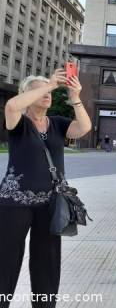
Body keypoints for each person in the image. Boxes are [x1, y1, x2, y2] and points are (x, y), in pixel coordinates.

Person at [0, 69, 92, 307]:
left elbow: (84, 128)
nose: (48, 93)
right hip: (14, 203)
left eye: (50, 90)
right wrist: (50, 84)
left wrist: (75, 97)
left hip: (51, 203)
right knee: (6, 261)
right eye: (40, 89)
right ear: (26, 95)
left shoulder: (58, 124)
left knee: (47, 263)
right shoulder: (18, 122)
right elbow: (11, 106)